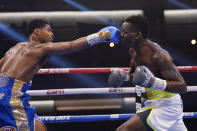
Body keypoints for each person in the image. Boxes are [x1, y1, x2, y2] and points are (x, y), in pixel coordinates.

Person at [0, 19, 120, 131]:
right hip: (11, 96)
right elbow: (71, 46)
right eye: (48, 30)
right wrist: (100, 36)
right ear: (37, 31)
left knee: (39, 127)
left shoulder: (15, 47)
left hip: (8, 94)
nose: (52, 34)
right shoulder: (41, 48)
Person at [108, 15, 187, 131]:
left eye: (125, 32)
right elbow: (136, 76)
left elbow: (182, 86)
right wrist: (124, 76)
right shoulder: (133, 51)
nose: (121, 35)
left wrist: (152, 82)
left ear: (138, 35)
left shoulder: (159, 55)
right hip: (152, 103)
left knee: (124, 129)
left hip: (167, 106)